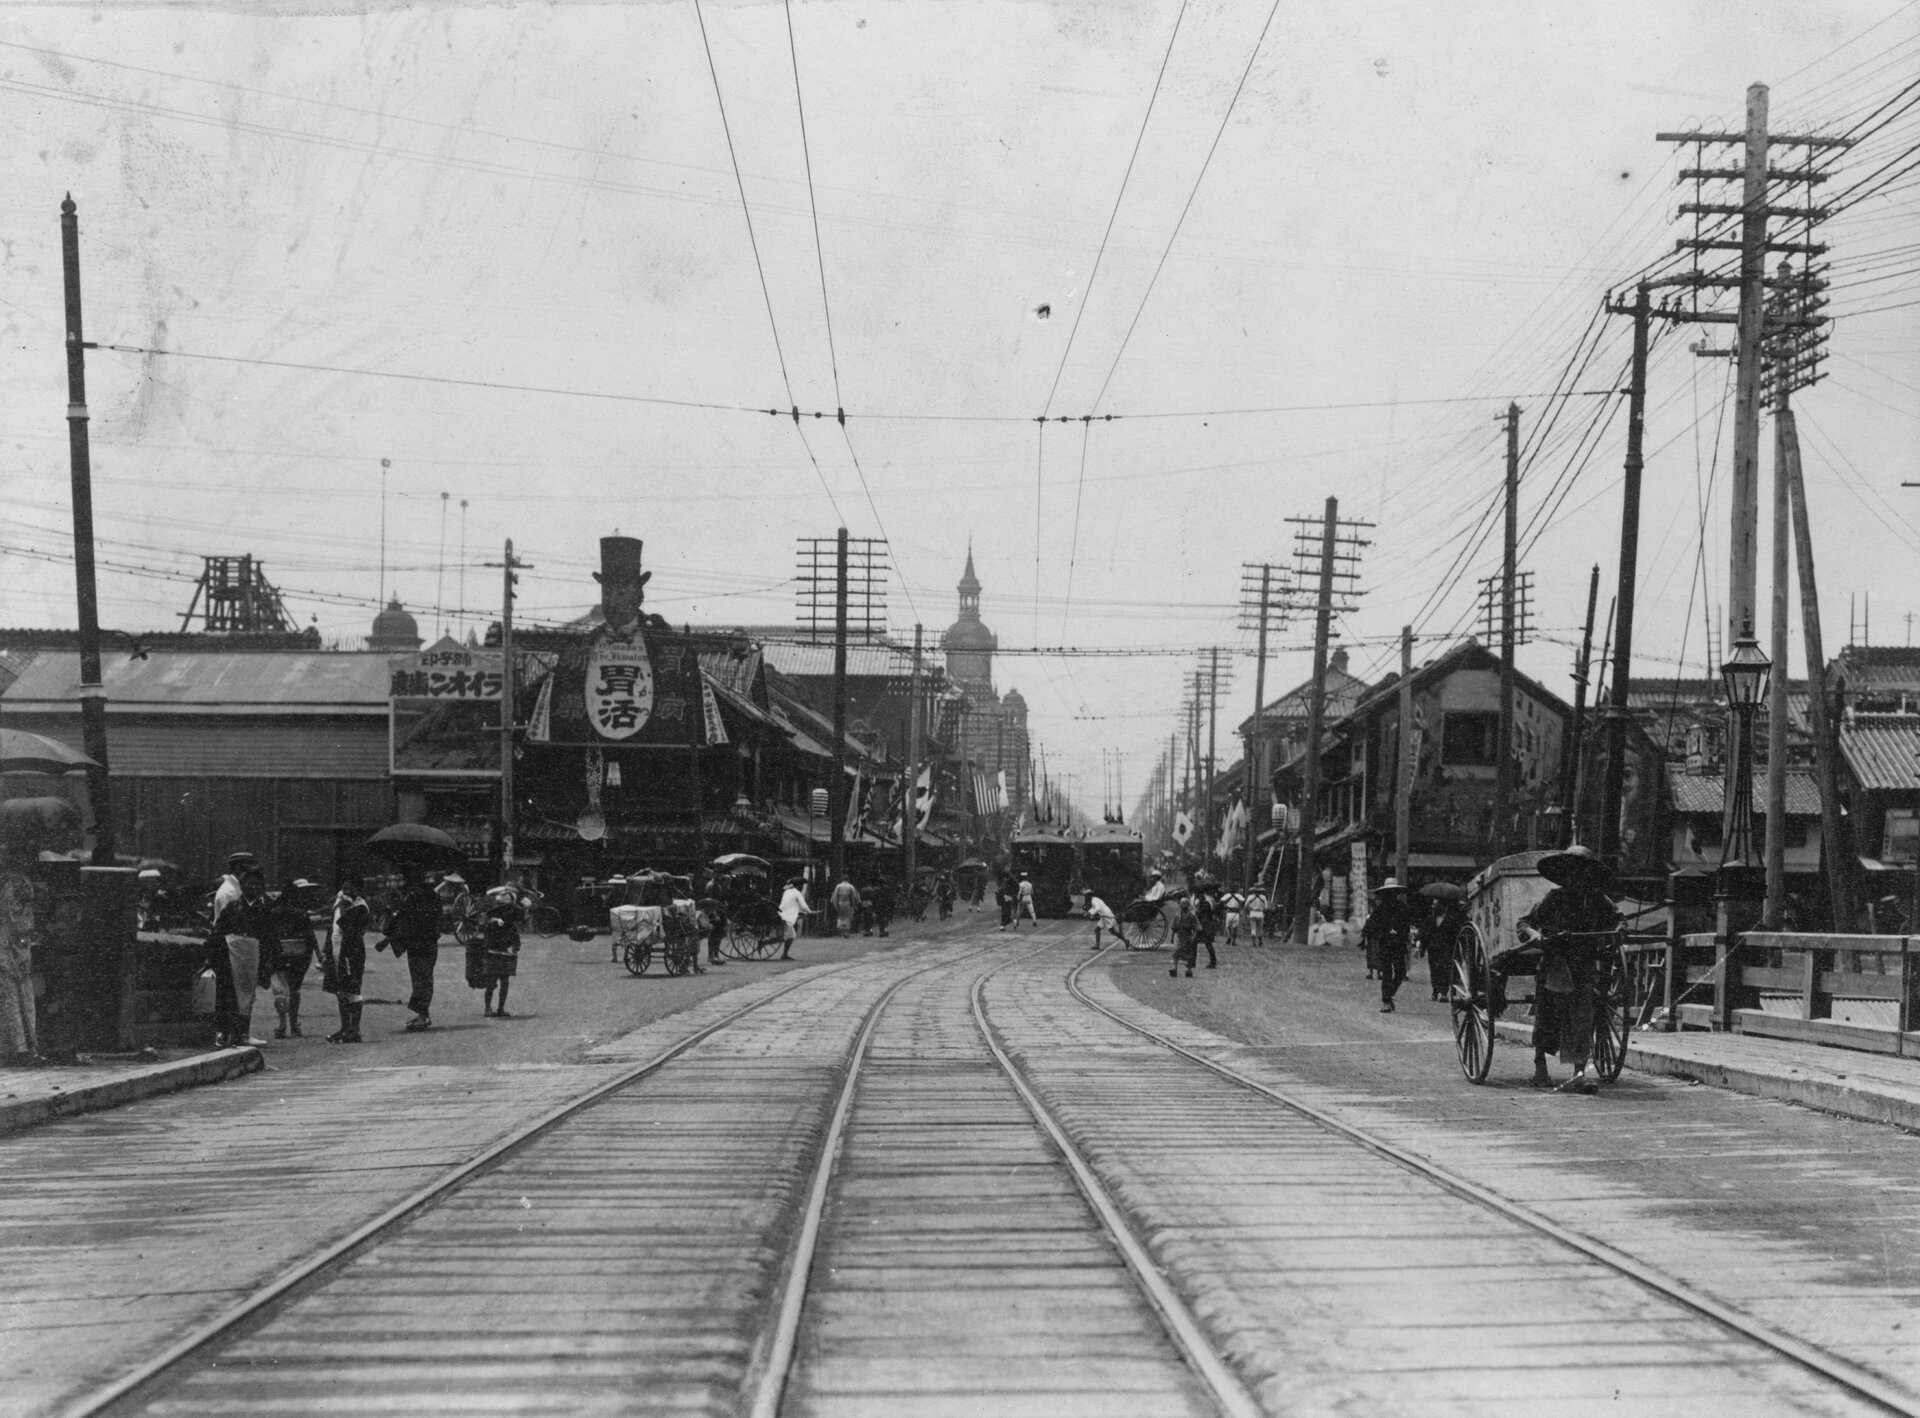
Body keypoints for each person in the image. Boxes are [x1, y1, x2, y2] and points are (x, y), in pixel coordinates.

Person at [1512, 844, 1621, 1094]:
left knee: (1583, 1019)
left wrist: (1618, 931)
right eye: (1573, 871)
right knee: (1547, 1018)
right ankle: (1540, 1068)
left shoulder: (1598, 899)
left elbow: (1619, 918)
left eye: (1583, 872)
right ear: (1566, 873)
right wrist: (1535, 935)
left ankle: (1578, 1075)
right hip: (1555, 964)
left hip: (1583, 967)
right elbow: (1524, 922)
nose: (1578, 877)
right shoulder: (1554, 897)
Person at [208, 868, 272, 1047]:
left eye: (257, 884)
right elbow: (219, 930)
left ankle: (243, 1033)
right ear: (242, 886)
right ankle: (224, 1033)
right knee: (228, 994)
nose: (253, 887)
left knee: (248, 995)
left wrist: (268, 962)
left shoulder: (265, 909)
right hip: (231, 954)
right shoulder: (233, 907)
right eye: (249, 883)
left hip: (253, 954)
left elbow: (270, 937)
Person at [384, 864, 445, 1032]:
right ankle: (422, 1014)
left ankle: (424, 1016)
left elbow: (404, 917)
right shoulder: (429, 896)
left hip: (421, 944)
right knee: (422, 979)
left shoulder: (415, 897)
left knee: (421, 979)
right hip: (425, 943)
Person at [267, 878, 319, 1039]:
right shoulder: (301, 913)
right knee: (295, 989)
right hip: (300, 955)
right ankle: (295, 1025)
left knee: (280, 990)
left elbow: (267, 934)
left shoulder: (273, 913)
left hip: (279, 954)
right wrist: (319, 953)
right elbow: (310, 936)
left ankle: (282, 1024)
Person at [325, 875, 372, 1043]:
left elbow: (345, 926)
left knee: (353, 989)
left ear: (358, 891)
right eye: (344, 888)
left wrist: (344, 904)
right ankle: (345, 1028)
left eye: (349, 889)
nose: (345, 892)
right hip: (337, 950)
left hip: (351, 952)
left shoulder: (360, 907)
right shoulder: (340, 903)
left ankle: (355, 1029)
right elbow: (332, 928)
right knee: (341, 990)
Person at [1362, 878, 1414, 1012]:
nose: (1391, 894)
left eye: (1393, 892)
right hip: (1385, 943)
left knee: (1401, 971)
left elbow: (1406, 925)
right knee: (1386, 972)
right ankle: (1386, 1000)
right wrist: (1382, 931)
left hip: (1399, 943)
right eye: (1389, 892)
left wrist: (1402, 934)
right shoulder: (1380, 909)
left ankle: (1389, 994)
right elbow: (1371, 925)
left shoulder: (1402, 908)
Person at [475, 884, 522, 1017]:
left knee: (504, 982)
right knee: (492, 982)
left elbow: (515, 933)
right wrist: (494, 920)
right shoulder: (491, 918)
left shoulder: (511, 919)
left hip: (505, 952)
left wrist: (516, 946)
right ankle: (488, 1008)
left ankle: (500, 1008)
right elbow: (483, 922)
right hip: (493, 951)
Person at [1420, 892, 1467, 1002]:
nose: (1433, 906)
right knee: (1434, 971)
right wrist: (1422, 948)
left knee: (1445, 971)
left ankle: (1444, 993)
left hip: (1447, 949)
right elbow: (1424, 935)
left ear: (1442, 906)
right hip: (1433, 949)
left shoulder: (1451, 919)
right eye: (1433, 904)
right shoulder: (1430, 920)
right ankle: (1435, 992)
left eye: (1435, 904)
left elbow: (1457, 935)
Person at [777, 877, 811, 961]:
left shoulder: (786, 892)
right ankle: (784, 955)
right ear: (798, 886)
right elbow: (803, 905)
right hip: (787, 917)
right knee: (792, 935)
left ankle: (785, 954)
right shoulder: (797, 893)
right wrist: (810, 912)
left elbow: (790, 904)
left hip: (781, 914)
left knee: (789, 935)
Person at [1192, 885, 1221, 969]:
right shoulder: (1207, 901)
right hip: (1207, 926)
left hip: (1204, 926)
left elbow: (1200, 915)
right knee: (1207, 944)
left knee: (1198, 943)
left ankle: (1194, 962)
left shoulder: (1203, 903)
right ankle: (1212, 962)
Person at [1170, 896, 1199, 978]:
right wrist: (1172, 936)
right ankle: (1174, 968)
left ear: (1188, 904)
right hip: (1179, 936)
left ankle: (1189, 970)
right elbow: (1174, 926)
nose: (1183, 905)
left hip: (1188, 936)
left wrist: (1194, 936)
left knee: (1189, 954)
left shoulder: (1192, 915)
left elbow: (1196, 927)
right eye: (1182, 903)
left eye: (1185, 903)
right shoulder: (1177, 915)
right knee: (1176, 952)